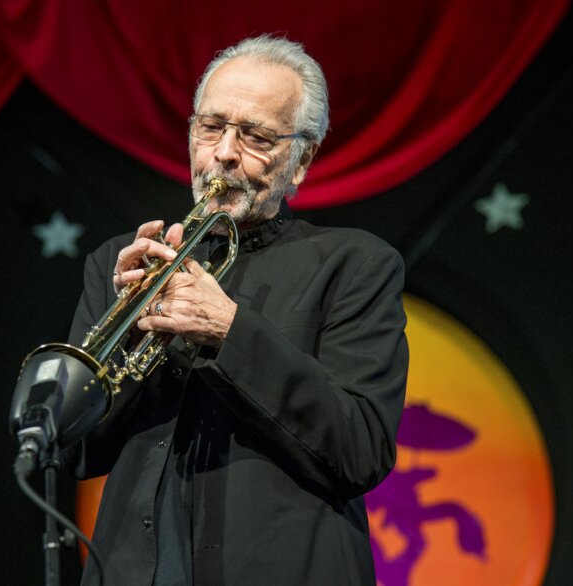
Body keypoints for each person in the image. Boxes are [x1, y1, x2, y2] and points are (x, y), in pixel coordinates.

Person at [65, 35, 409, 585]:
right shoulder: (121, 262)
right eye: (212, 128)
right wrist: (127, 328)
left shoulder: (356, 263)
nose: (225, 152)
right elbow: (74, 453)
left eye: (256, 136)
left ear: (301, 160)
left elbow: (361, 450)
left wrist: (228, 329)